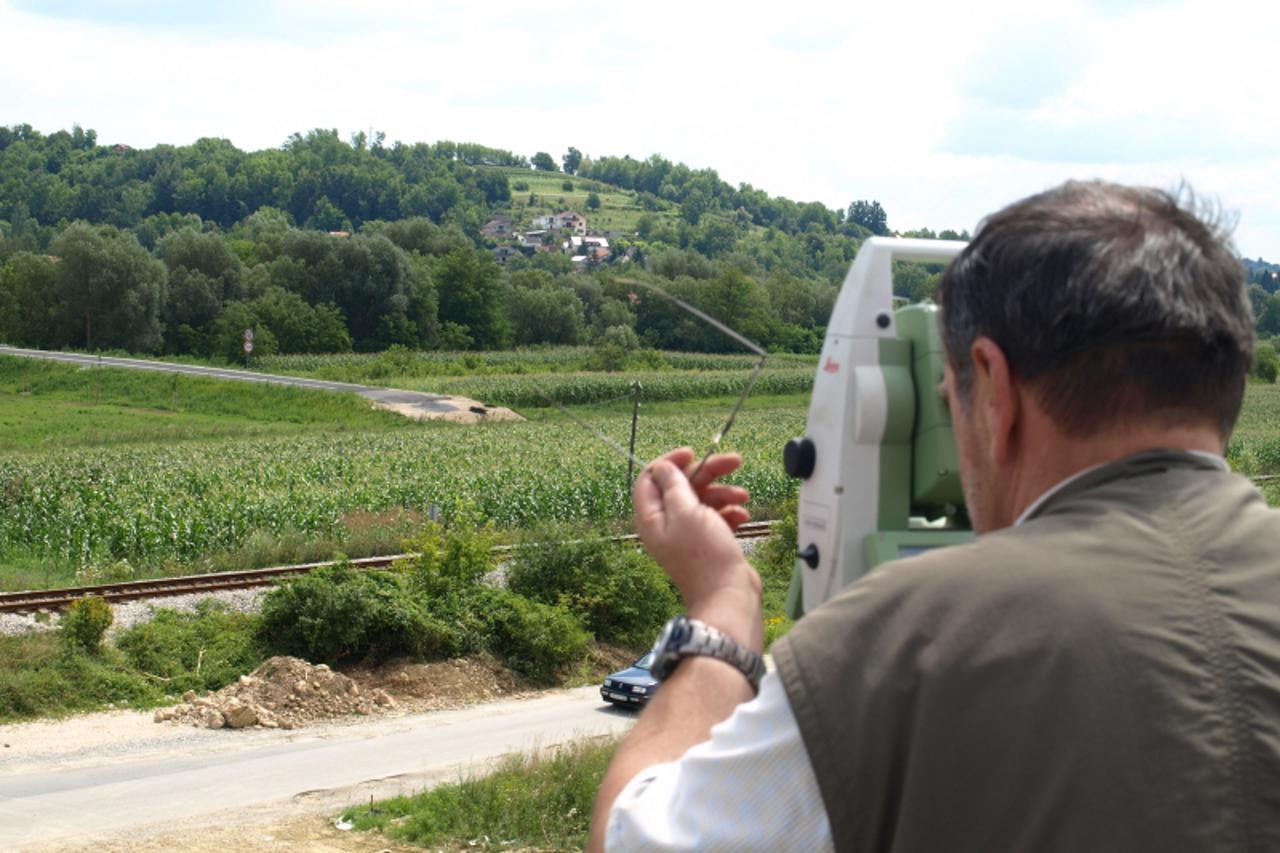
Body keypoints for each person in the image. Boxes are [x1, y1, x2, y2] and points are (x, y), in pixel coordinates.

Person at [589, 181, 1280, 852]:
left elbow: (633, 837)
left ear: (995, 389)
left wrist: (721, 606)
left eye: (952, 394)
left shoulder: (904, 647)